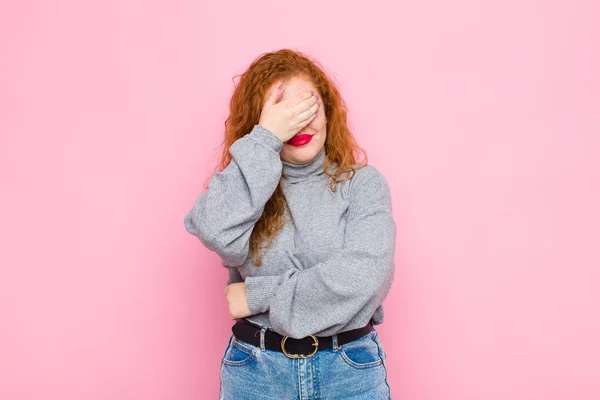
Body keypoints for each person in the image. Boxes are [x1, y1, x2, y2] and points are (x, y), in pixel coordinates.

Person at [184, 48, 396, 399]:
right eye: (284, 113)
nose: (300, 122)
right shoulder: (245, 187)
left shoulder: (363, 184)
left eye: (309, 107)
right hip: (256, 373)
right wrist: (265, 139)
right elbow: (212, 229)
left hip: (349, 373)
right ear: (260, 121)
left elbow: (363, 277)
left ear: (328, 113)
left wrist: (257, 296)